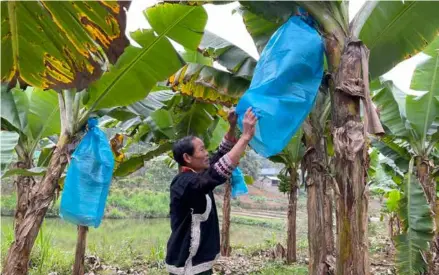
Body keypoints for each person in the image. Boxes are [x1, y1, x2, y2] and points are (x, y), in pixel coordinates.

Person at [165, 108, 257, 275]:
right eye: (201, 150)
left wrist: (232, 126)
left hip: (198, 263)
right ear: (187, 158)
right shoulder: (184, 182)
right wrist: (245, 137)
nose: (207, 153)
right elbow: (216, 173)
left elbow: (219, 156)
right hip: (187, 267)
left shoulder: (196, 175)